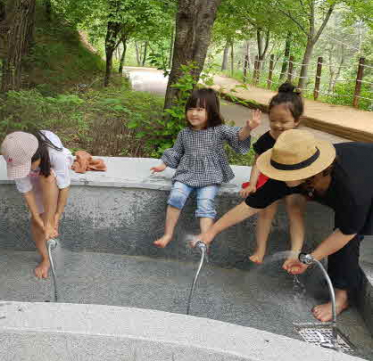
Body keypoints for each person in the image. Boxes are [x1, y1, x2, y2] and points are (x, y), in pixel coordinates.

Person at [194, 129, 373, 322]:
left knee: (351, 231)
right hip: (352, 175)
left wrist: (308, 260)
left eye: (284, 173)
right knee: (348, 221)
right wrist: (212, 231)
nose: (279, 177)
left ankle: (341, 299)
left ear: (310, 172)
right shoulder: (291, 170)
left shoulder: (351, 189)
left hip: (366, 180)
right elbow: (252, 204)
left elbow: (345, 233)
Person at [151, 88, 261, 248]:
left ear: (211, 111)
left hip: (211, 175)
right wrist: (163, 165)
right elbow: (176, 151)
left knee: (205, 203)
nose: (194, 113)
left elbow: (237, 136)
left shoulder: (218, 130)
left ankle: (205, 239)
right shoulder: (184, 133)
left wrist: (248, 128)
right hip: (186, 173)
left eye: (199, 109)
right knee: (176, 197)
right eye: (191, 109)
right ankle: (167, 234)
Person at [239, 83, 306, 263]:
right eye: (273, 120)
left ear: (297, 121)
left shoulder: (300, 140)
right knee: (265, 210)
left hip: (293, 182)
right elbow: (258, 163)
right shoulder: (266, 139)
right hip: (270, 180)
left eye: (284, 122)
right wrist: (252, 184)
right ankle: (260, 249)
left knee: (295, 210)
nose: (278, 125)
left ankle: (295, 253)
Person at [1, 130, 73, 279]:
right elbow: (27, 192)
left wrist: (55, 217)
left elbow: (64, 187)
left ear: (37, 156)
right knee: (36, 221)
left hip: (50, 171)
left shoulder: (55, 154)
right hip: (38, 168)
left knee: (48, 178)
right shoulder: (15, 156)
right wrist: (36, 217)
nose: (24, 171)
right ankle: (45, 258)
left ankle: (49, 222)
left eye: (26, 167)